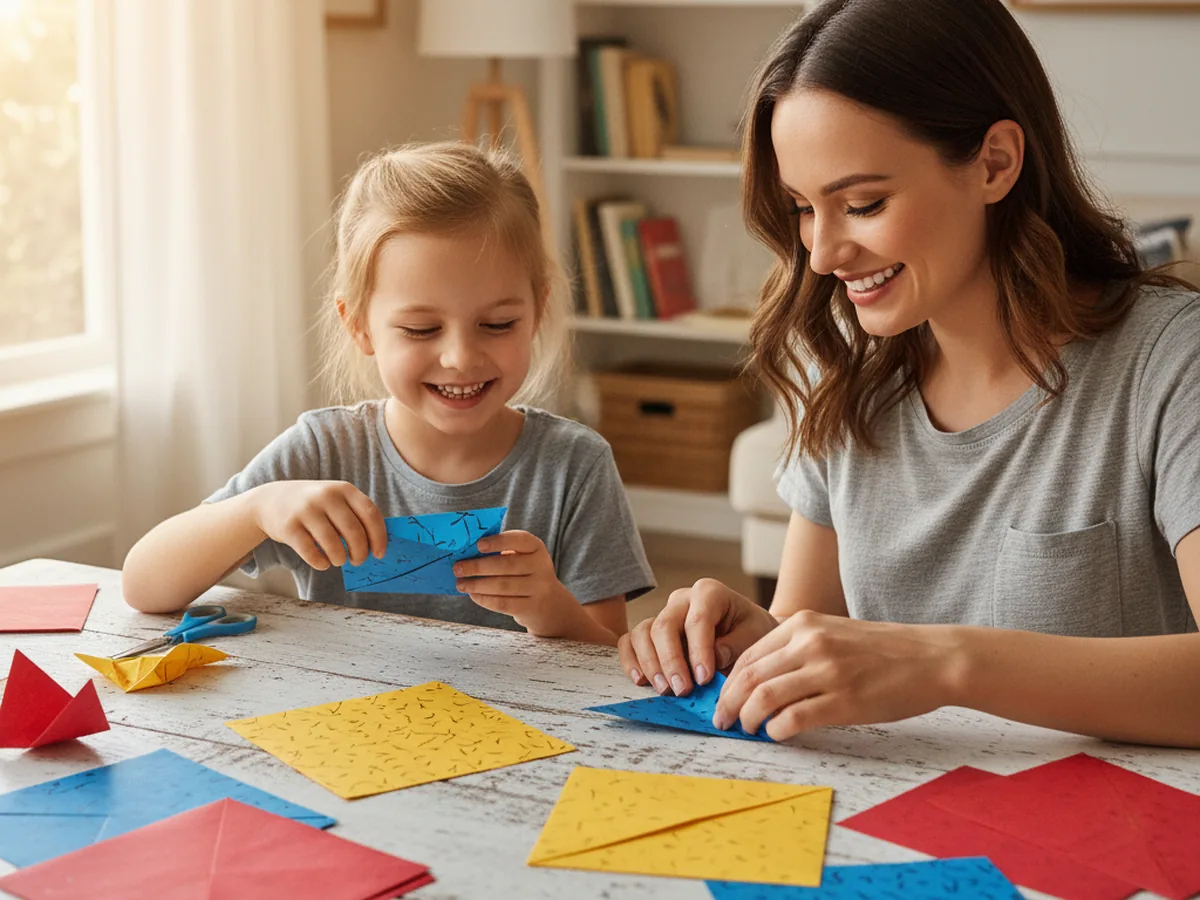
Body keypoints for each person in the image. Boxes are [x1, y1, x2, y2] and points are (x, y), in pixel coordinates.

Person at [618, 0, 1200, 746]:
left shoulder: (1171, 363)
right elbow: (806, 630)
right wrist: (747, 642)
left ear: (995, 163)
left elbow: (922, 665)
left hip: (1111, 846)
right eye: (802, 208)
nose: (823, 253)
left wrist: (946, 661)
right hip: (887, 827)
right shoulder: (850, 368)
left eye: (863, 203)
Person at [123, 142, 654, 645]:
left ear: (536, 310)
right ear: (358, 326)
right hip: (343, 726)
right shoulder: (323, 451)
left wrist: (551, 610)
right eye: (422, 330)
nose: (461, 357)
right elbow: (144, 585)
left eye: (497, 323)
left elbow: (607, 659)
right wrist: (257, 508)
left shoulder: (575, 467)